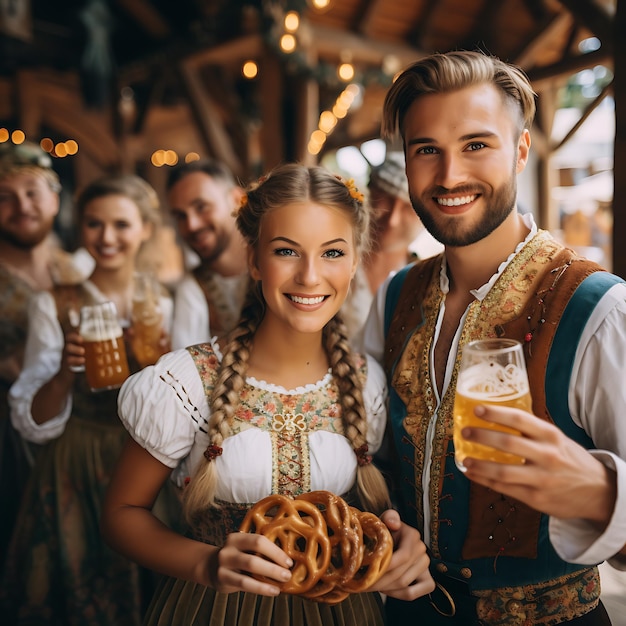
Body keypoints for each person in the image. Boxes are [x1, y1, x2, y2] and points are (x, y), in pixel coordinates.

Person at [101, 163, 435, 626]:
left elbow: (379, 513)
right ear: (255, 260)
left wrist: (405, 545)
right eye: (287, 251)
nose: (310, 276)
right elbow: (121, 513)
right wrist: (205, 564)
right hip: (212, 610)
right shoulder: (186, 381)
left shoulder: (368, 384)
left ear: (355, 261)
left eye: (333, 253)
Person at [360, 50, 626, 625]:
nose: (450, 175)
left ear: (522, 149)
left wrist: (601, 493)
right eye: (426, 149)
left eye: (476, 144)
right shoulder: (395, 296)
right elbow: (375, 459)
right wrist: (386, 530)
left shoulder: (600, 309)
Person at [1, 174, 173, 625]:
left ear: (145, 229)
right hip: (74, 461)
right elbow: (33, 419)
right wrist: (63, 371)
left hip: (147, 459)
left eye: (121, 224)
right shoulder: (53, 304)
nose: (107, 237)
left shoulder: (165, 302)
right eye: (95, 225)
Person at [0, 141, 86, 567]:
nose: (22, 206)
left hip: (71, 431)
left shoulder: (77, 270)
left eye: (32, 192)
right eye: (5, 197)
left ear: (55, 199)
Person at [342, 152, 442, 340]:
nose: (393, 220)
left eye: (408, 208)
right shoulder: (333, 266)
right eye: (384, 200)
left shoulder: (432, 282)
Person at [166, 158, 251, 349]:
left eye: (201, 207)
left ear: (237, 200)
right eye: (181, 216)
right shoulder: (191, 288)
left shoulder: (279, 263)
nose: (191, 225)